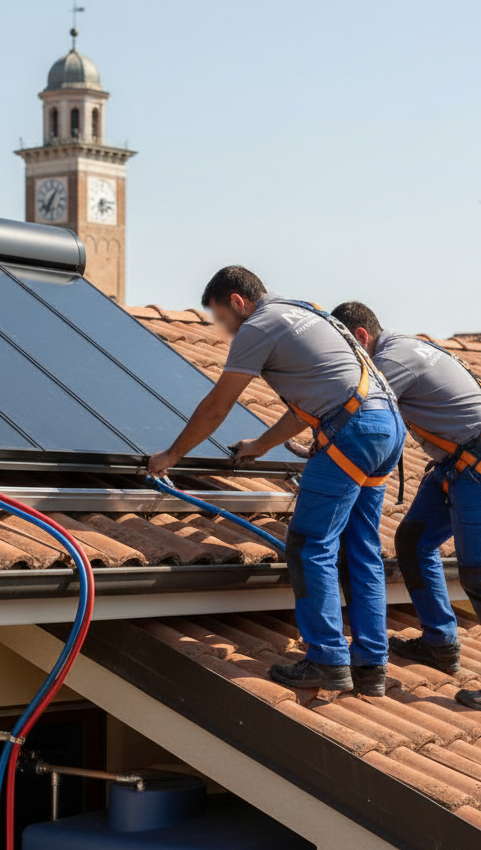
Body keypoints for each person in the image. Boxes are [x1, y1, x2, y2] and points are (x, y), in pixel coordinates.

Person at [148, 267, 405, 696]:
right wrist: (263, 444)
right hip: (386, 427)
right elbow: (319, 400)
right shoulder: (309, 313)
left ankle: (325, 659)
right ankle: (370, 667)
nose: (223, 330)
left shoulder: (258, 326)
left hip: (352, 433)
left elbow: (218, 404)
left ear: (237, 301)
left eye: (221, 317)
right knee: (361, 549)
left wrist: (173, 454)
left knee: (309, 545)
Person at [330, 301, 481, 718]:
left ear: (361, 337)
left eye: (347, 350)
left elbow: (363, 411)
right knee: (413, 541)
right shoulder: (399, 350)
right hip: (457, 464)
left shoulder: (391, 360)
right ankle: (441, 643)